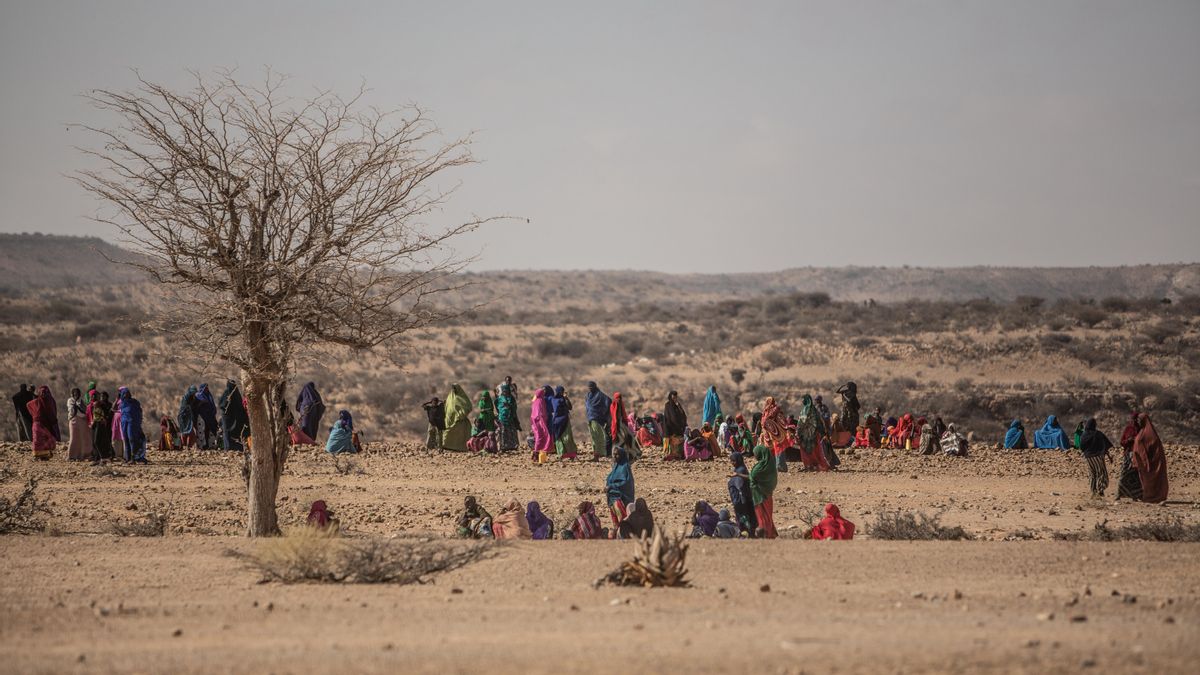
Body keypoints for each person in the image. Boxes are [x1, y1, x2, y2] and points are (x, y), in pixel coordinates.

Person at [1131, 413, 1169, 504]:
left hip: (1152, 463)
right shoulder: (1142, 432)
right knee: (1146, 480)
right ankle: (1149, 496)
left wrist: (1146, 461)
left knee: (1152, 480)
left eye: (1140, 421)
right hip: (1145, 462)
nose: (1138, 422)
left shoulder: (1150, 435)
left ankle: (1155, 497)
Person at [1077, 418, 1113, 499]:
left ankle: (1093, 491)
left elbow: (1081, 447)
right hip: (1098, 456)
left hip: (1088, 458)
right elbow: (1105, 445)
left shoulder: (1084, 435)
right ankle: (1100, 491)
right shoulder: (1098, 434)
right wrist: (1109, 456)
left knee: (1092, 474)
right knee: (1101, 473)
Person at [749, 445, 778, 539]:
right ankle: (771, 533)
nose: (755, 456)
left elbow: (752, 478)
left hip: (759, 496)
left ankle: (765, 535)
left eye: (755, 454)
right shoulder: (771, 465)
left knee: (762, 516)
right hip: (768, 494)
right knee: (768, 515)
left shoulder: (759, 467)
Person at [760, 396, 796, 472]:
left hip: (770, 435)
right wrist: (786, 427)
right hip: (778, 434)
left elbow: (763, 424)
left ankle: (776, 467)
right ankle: (780, 467)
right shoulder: (776, 410)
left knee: (774, 450)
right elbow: (782, 420)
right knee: (779, 449)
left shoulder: (765, 412)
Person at [605, 447, 635, 538]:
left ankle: (625, 535)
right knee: (615, 522)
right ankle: (617, 536)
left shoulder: (625, 467)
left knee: (622, 520)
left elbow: (626, 483)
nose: (615, 456)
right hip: (611, 498)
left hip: (620, 498)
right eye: (613, 454)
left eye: (617, 454)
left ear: (622, 455)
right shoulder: (615, 468)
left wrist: (612, 486)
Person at [794, 394, 829, 471]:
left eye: (803, 399)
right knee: (804, 451)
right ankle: (808, 465)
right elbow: (800, 422)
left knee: (814, 450)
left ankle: (816, 465)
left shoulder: (813, 410)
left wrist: (822, 432)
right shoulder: (803, 410)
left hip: (812, 435)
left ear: (807, 400)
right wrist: (798, 431)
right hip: (803, 435)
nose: (802, 401)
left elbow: (818, 421)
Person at [727, 451, 758, 537]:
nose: (732, 463)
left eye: (734, 461)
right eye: (731, 461)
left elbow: (741, 487)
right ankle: (749, 533)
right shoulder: (739, 469)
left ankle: (747, 534)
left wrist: (741, 500)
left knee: (744, 517)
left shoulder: (741, 470)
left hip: (742, 500)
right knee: (746, 517)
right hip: (743, 499)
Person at [26, 385, 59, 460]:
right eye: (42, 393)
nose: (43, 394)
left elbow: (53, 412)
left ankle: (45, 454)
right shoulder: (37, 401)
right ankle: (37, 454)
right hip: (38, 423)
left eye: (45, 392)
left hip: (47, 424)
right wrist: (34, 415)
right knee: (37, 439)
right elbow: (28, 405)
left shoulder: (50, 401)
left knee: (47, 439)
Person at [1116, 413, 1143, 501]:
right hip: (1128, 455)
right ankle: (1119, 494)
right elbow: (1122, 442)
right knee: (1124, 474)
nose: (1134, 421)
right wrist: (1129, 440)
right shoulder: (1128, 429)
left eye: (1136, 419)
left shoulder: (1141, 429)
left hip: (1137, 455)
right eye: (1133, 419)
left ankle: (1135, 496)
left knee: (1136, 477)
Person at [117, 387, 148, 464]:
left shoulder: (135, 402)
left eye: (128, 393)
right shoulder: (122, 403)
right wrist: (117, 398)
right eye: (125, 393)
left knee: (132, 439)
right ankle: (128, 458)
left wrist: (138, 421)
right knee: (126, 439)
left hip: (132, 423)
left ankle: (134, 458)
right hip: (124, 422)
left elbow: (139, 412)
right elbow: (113, 408)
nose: (127, 395)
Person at [218, 380, 250, 452]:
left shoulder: (232, 393)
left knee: (229, 433)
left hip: (232, 417)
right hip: (228, 418)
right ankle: (228, 447)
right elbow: (223, 405)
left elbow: (223, 405)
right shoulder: (230, 393)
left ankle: (231, 447)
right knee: (226, 432)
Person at [584, 381, 612, 460]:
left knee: (598, 437)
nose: (590, 389)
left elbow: (608, 401)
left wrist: (603, 413)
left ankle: (600, 454)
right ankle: (596, 455)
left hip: (598, 418)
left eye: (591, 387)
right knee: (593, 437)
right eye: (589, 388)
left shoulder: (600, 395)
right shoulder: (588, 395)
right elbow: (588, 405)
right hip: (590, 418)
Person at [550, 385, 579, 460]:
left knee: (565, 438)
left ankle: (571, 455)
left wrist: (566, 398)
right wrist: (565, 398)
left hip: (561, 421)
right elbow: (567, 407)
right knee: (561, 438)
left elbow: (570, 407)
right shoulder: (556, 400)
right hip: (560, 421)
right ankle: (562, 454)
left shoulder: (558, 399)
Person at [442, 384, 472, 452]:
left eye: (455, 388)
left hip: (459, 420)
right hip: (449, 419)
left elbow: (468, 407)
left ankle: (459, 448)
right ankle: (446, 446)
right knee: (447, 433)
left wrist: (460, 415)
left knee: (458, 434)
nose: (454, 390)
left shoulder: (462, 398)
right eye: (453, 388)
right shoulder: (450, 397)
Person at [66, 387, 93, 461]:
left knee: (82, 438)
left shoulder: (81, 401)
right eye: (74, 394)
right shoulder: (70, 401)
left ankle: (82, 454)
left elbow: (85, 411)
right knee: (74, 438)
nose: (76, 396)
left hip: (82, 421)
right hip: (73, 421)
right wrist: (76, 405)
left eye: (77, 394)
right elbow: (72, 412)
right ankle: (71, 455)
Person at [609, 392, 639, 458]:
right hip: (616, 426)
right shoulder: (613, 406)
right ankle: (617, 455)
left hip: (622, 425)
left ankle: (631, 454)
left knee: (629, 438)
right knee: (619, 440)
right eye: (617, 398)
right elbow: (614, 418)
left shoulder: (621, 405)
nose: (619, 400)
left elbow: (624, 416)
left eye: (620, 398)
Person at [88, 391, 115, 464]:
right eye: (101, 396)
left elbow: (109, 414)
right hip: (96, 425)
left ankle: (105, 457)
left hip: (103, 425)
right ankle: (98, 458)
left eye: (103, 396)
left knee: (100, 441)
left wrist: (105, 419)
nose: (102, 398)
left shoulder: (106, 405)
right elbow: (94, 416)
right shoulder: (97, 404)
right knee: (96, 442)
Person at [529, 386, 553, 463]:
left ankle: (537, 454)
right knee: (542, 437)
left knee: (538, 437)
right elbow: (540, 413)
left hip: (535, 423)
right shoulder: (540, 401)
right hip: (540, 422)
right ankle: (537, 453)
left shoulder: (535, 401)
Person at [495, 385, 521, 452]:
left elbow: (514, 407)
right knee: (503, 432)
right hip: (502, 417)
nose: (505, 392)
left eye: (506, 391)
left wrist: (509, 406)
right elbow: (497, 406)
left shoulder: (511, 399)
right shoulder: (499, 399)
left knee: (511, 431)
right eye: (504, 391)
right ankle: (503, 446)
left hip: (511, 417)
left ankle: (513, 446)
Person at [662, 391, 687, 460]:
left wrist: (679, 406)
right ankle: (671, 455)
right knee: (672, 443)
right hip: (670, 428)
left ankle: (678, 455)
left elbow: (682, 415)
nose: (675, 398)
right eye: (673, 397)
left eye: (676, 397)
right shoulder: (667, 405)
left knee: (679, 442)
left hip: (678, 428)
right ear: (670, 396)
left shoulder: (677, 406)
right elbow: (670, 418)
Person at [194, 383, 220, 449]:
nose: (207, 389)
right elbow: (195, 406)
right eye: (206, 388)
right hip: (201, 416)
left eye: (207, 388)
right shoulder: (198, 396)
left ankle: (211, 445)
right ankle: (202, 446)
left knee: (210, 430)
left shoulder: (208, 395)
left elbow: (212, 405)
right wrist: (202, 402)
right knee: (202, 430)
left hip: (209, 416)